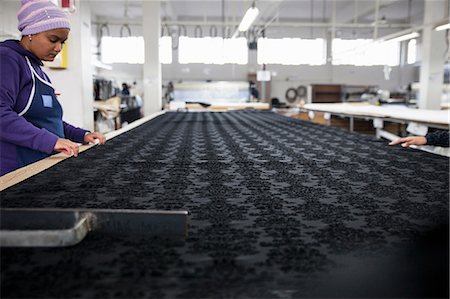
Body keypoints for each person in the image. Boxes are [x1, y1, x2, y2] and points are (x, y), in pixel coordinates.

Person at [0, 0, 106, 176]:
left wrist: (81, 135)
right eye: (53, 40)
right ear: (30, 32)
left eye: (62, 42)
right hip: (15, 172)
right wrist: (50, 141)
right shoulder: (7, 59)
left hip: (39, 166)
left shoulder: (37, 70)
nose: (58, 48)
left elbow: (47, 120)